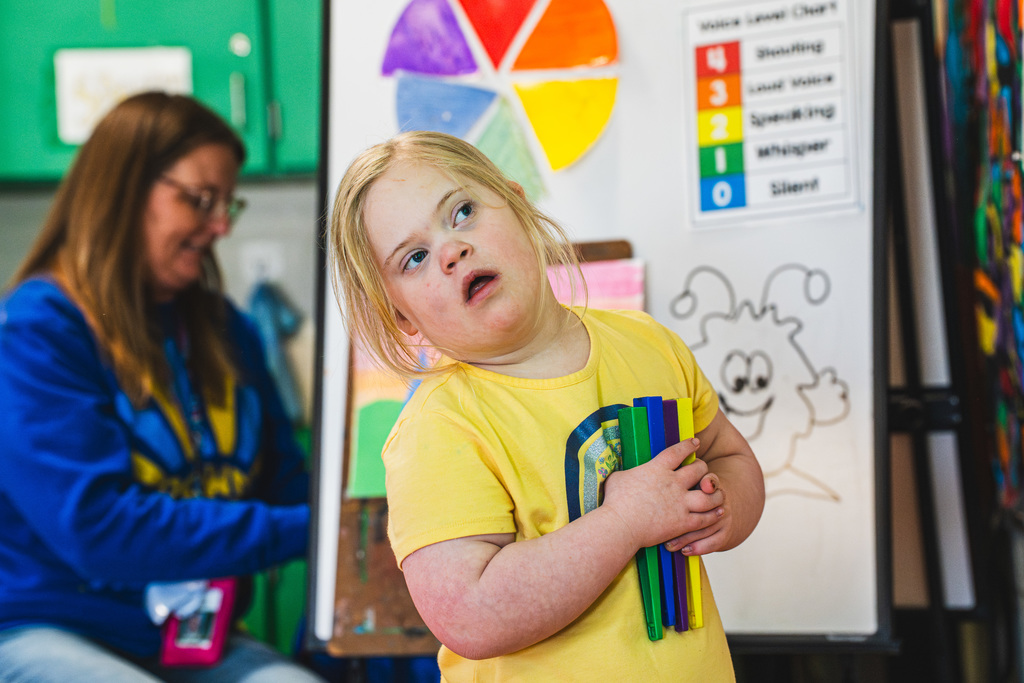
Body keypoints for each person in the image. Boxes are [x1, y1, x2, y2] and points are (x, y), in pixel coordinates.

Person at [328, 130, 766, 681]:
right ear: (402, 317)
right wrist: (625, 522)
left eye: (462, 212)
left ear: (520, 206)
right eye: (414, 258)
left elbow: (730, 456)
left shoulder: (648, 343)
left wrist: (721, 507)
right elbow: (470, 615)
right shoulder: (438, 430)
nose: (451, 250)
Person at [0, 92, 324, 683]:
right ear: (123, 191)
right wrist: (314, 529)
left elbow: (285, 484)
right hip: (48, 627)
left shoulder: (228, 330)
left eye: (228, 204)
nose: (222, 226)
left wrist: (361, 512)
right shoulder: (35, 331)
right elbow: (97, 530)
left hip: (186, 640)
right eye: (201, 200)